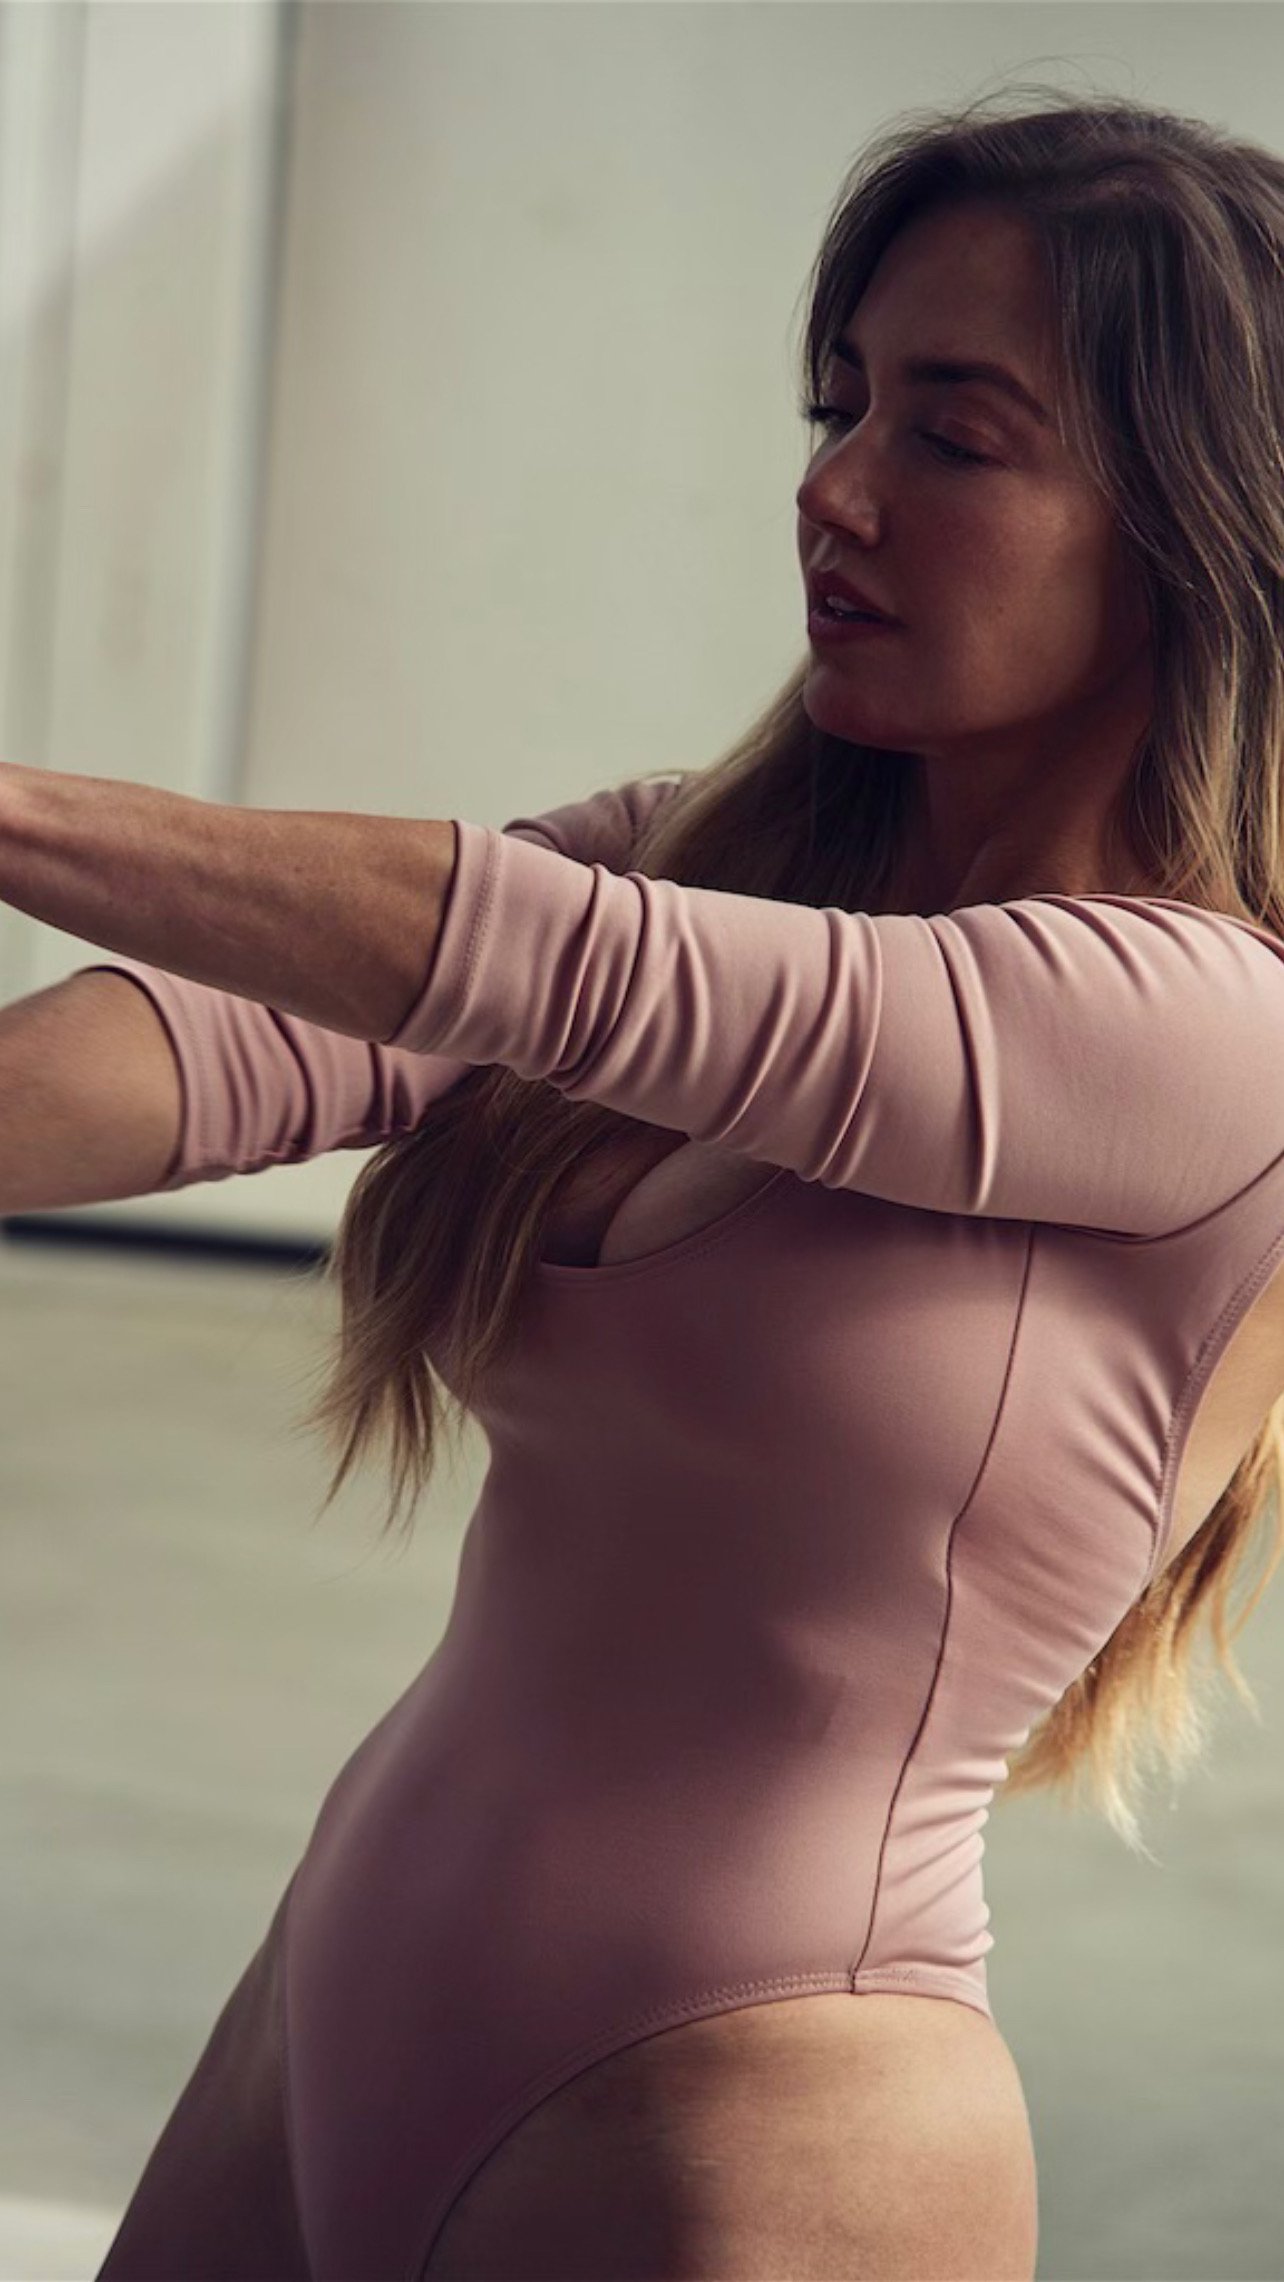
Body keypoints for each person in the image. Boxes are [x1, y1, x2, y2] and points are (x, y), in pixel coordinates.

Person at [5, 81, 1284, 2282]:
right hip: (351, 1978)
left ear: (1196, 526)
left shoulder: (1211, 1031)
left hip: (758, 2114)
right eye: (840, 403)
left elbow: (541, 962)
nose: (835, 488)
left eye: (953, 436)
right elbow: (240, 1046)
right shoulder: (724, 861)